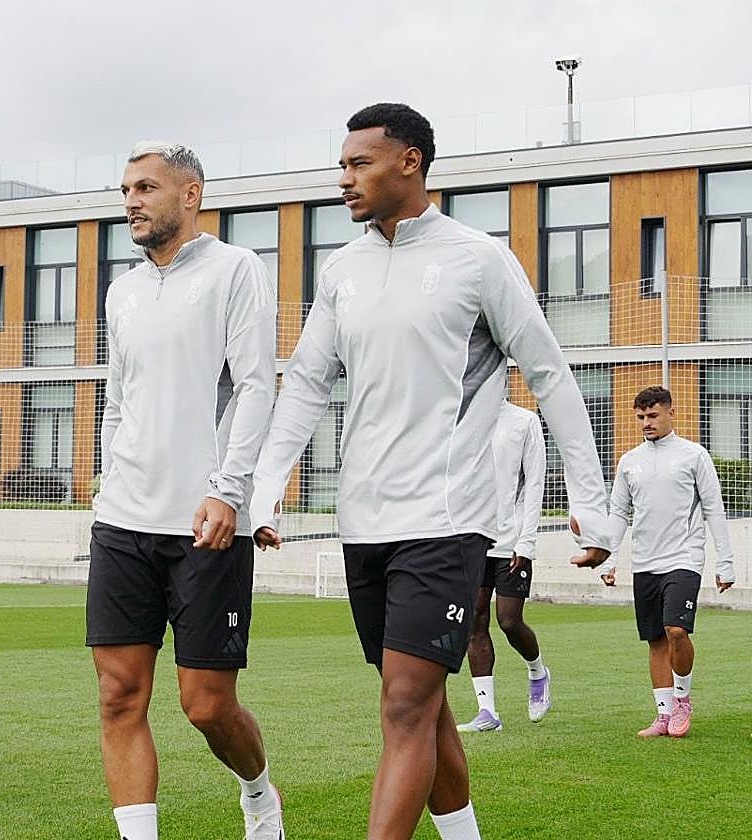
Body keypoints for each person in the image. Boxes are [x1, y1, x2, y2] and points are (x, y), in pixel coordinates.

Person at [249, 103, 611, 840]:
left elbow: (550, 375)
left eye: (359, 164)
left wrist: (591, 501)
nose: (344, 179)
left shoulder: (478, 259)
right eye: (342, 165)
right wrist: (265, 488)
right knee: (423, 705)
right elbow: (308, 384)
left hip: (447, 522)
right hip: (364, 524)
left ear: (410, 161)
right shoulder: (341, 270)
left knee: (405, 706)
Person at [89, 142, 283, 840]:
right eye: (125, 191)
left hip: (206, 521)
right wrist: (108, 480)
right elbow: (117, 399)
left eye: (145, 188)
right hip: (122, 519)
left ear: (190, 194)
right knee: (119, 696)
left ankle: (259, 793)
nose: (131, 202)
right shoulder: (122, 290)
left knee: (205, 705)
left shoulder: (236, 270)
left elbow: (256, 386)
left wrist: (230, 491)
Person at [591, 385, 735, 738]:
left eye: (653, 415)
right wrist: (609, 559)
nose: (646, 422)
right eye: (641, 417)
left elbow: (714, 509)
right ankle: (663, 714)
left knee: (676, 631)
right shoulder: (629, 461)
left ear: (672, 412)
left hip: (684, 558)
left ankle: (683, 700)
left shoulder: (694, 455)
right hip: (645, 563)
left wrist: (725, 562)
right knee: (656, 639)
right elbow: (619, 513)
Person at [458, 398, 551, 733]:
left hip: (511, 540)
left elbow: (535, 483)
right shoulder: (459, 416)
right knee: (475, 619)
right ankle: (487, 712)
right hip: (472, 538)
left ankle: (537, 671)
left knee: (509, 620)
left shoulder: (523, 421)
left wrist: (526, 541)